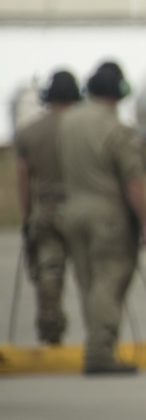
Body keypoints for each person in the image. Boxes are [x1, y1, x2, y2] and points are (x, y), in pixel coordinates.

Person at [60, 61, 146, 375]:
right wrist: (145, 221)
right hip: (107, 216)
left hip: (72, 211)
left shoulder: (68, 123)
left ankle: (96, 343)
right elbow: (134, 181)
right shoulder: (117, 129)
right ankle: (100, 353)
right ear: (120, 91)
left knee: (88, 281)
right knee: (108, 281)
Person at [14, 70, 82, 345]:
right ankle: (101, 333)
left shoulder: (29, 132)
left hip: (47, 210)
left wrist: (28, 216)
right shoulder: (84, 128)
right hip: (81, 208)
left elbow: (23, 178)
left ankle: (51, 329)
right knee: (90, 273)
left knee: (48, 272)